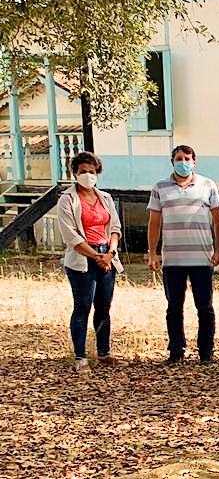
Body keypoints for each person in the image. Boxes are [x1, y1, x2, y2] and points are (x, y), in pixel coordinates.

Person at [147, 145, 219, 365]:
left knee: (205, 307)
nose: (183, 162)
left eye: (187, 158)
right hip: (172, 259)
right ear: (172, 161)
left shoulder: (208, 185)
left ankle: (206, 352)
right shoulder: (160, 187)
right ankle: (176, 350)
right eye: (179, 158)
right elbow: (154, 221)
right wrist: (152, 252)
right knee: (174, 307)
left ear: (194, 161)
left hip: (202, 257)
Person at [57, 151, 123, 373]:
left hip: (107, 254)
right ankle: (80, 356)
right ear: (75, 173)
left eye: (91, 172)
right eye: (83, 172)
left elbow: (115, 227)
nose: (87, 175)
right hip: (83, 258)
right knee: (83, 306)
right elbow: (71, 236)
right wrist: (95, 256)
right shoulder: (67, 199)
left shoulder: (105, 198)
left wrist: (110, 254)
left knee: (103, 307)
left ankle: (104, 353)